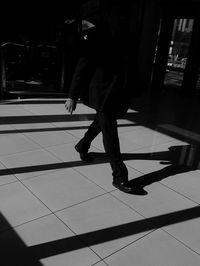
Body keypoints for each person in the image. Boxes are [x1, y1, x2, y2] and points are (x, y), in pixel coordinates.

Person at [64, 2, 134, 193]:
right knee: (110, 131)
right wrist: (72, 96)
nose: (122, 18)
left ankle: (82, 145)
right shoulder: (96, 34)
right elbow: (82, 65)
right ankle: (119, 176)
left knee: (101, 123)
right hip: (101, 91)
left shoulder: (120, 34)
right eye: (119, 15)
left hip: (114, 90)